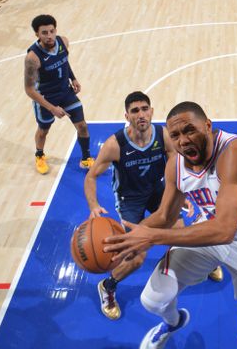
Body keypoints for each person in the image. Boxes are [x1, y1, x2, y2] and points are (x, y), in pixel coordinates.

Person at [104, 101, 237, 349]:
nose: (182, 141)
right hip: (206, 233)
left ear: (208, 125)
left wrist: (153, 237)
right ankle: (172, 322)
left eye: (189, 131)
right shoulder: (176, 164)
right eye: (175, 135)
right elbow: (165, 215)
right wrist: (127, 238)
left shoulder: (235, 154)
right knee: (152, 299)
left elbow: (225, 230)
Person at [83, 92, 223, 320]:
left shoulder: (163, 135)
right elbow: (91, 176)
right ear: (126, 116)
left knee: (184, 236)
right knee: (136, 256)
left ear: (152, 111)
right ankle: (108, 286)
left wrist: (182, 190)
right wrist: (94, 205)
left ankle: (203, 264)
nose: (141, 114)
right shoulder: (114, 145)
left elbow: (176, 161)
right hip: (130, 200)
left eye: (145, 108)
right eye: (135, 110)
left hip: (158, 190)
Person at [24, 14, 94, 174]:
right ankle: (39, 155)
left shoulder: (63, 41)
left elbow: (64, 60)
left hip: (65, 92)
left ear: (56, 30)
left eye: (51, 31)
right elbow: (29, 90)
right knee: (43, 131)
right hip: (45, 98)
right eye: (44, 33)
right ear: (37, 34)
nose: (49, 36)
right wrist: (52, 108)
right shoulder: (32, 58)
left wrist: (73, 78)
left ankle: (86, 159)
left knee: (82, 126)